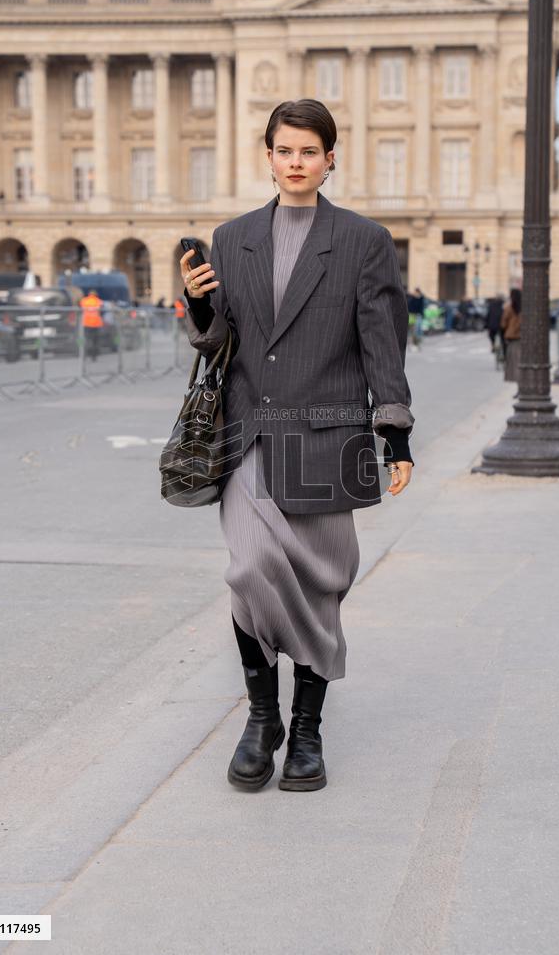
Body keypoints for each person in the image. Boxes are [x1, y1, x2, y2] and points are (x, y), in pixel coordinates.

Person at [180, 99, 414, 794]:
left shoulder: (363, 240)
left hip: (327, 434)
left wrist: (394, 431)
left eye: (310, 151)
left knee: (319, 581)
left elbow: (382, 340)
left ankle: (306, 729)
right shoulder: (232, 238)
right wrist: (197, 306)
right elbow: (222, 339)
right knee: (249, 570)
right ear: (269, 155)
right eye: (285, 150)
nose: (297, 163)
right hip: (248, 432)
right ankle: (262, 718)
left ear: (330, 158)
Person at [501, 288, 522, 382]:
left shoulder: (509, 308)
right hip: (523, 337)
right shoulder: (525, 307)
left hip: (513, 337)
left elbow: (503, 323)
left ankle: (519, 385)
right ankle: (522, 384)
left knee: (514, 362)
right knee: (522, 361)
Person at [79, 288, 103, 360]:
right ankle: (93, 356)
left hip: (86, 323)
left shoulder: (84, 301)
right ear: (95, 294)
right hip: (95, 324)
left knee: (86, 339)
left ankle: (84, 355)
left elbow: (82, 308)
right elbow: (100, 308)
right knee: (94, 340)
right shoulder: (98, 301)